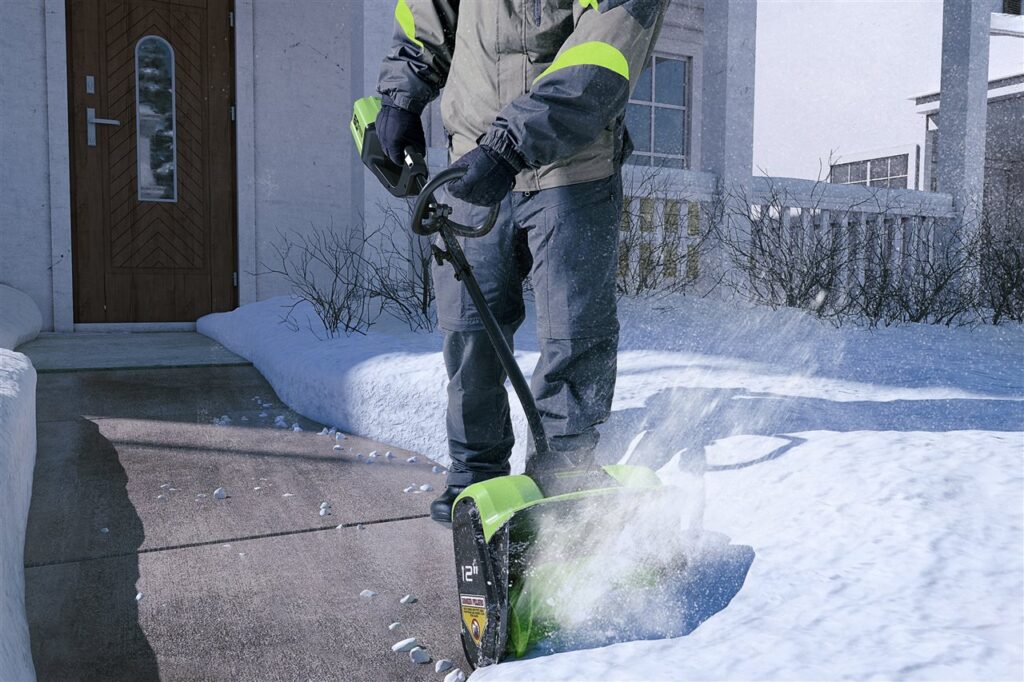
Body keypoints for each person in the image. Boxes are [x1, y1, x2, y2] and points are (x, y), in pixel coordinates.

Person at [376, 0, 668, 524]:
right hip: (472, 163)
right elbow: (427, 16)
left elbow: (600, 55)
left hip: (572, 166)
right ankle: (475, 471)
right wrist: (401, 97)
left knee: (575, 330)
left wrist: (510, 146)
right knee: (469, 327)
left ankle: (565, 469)